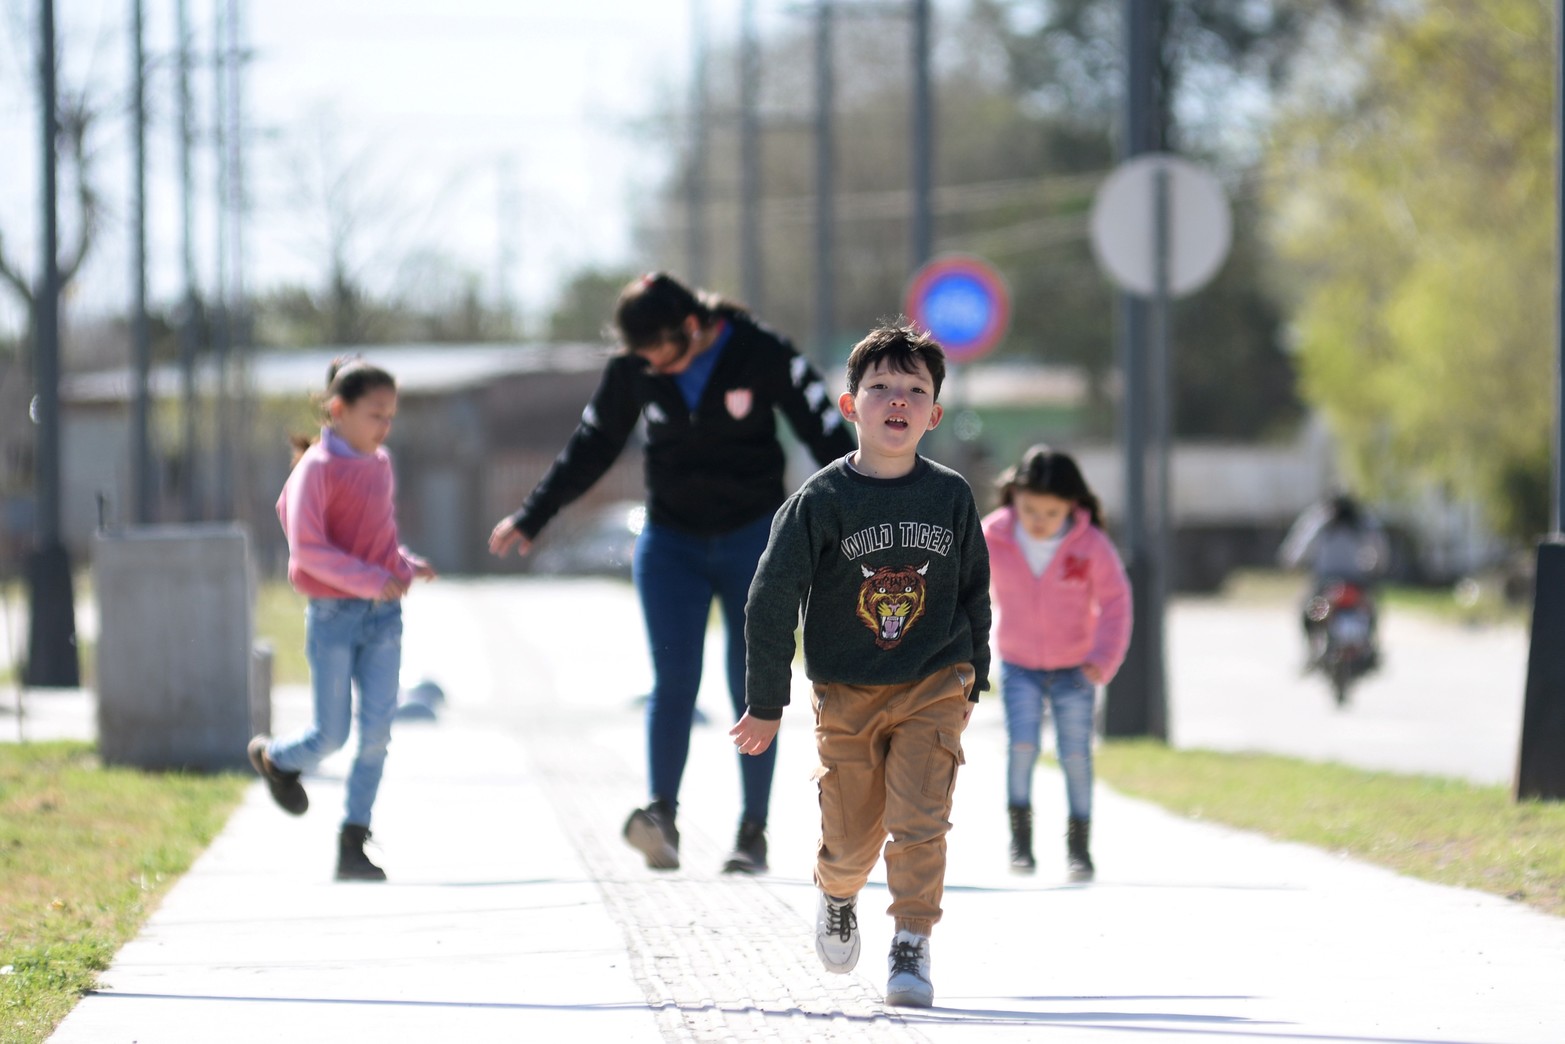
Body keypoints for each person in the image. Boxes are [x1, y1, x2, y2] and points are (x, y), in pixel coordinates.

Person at [488, 272, 854, 875]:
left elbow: (824, 433)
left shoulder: (760, 351)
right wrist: (534, 515)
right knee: (673, 679)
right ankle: (661, 817)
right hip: (670, 543)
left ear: (692, 327)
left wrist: (860, 510)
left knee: (751, 683)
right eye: (642, 358)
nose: (652, 367)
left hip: (753, 542)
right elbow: (592, 444)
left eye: (660, 353)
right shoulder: (635, 365)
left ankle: (752, 832)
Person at [732, 322, 991, 1009]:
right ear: (850, 406)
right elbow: (769, 599)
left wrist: (974, 676)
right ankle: (838, 890)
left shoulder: (952, 496)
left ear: (934, 413)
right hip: (845, 690)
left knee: (920, 817)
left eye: (914, 389)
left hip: (934, 681)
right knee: (849, 839)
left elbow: (972, 592)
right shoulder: (821, 501)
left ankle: (911, 940)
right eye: (879, 387)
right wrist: (766, 700)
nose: (896, 400)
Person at [248, 357, 437, 882]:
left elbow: (375, 540)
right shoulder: (317, 470)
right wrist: (372, 579)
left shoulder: (380, 464)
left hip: (384, 619)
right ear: (338, 410)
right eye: (376, 414)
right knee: (331, 734)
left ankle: (353, 844)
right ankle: (279, 760)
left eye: (391, 416)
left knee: (377, 733)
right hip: (333, 616)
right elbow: (308, 552)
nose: (385, 426)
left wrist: (401, 565)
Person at [980, 445, 1131, 880]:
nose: (1039, 520)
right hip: (1019, 664)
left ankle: (1079, 849)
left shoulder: (1091, 545)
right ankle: (1020, 844)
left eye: (1051, 512)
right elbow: (969, 593)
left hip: (1076, 667)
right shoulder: (994, 536)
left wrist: (1103, 658)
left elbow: (1116, 602)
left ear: (1072, 505)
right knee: (1021, 748)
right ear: (1013, 498)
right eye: (1029, 509)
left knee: (1076, 755)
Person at [1277, 491, 1389, 665]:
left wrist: (1291, 562)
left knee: (1310, 612)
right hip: (1356, 580)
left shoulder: (1321, 521)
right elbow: (1380, 549)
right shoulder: (1363, 521)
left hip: (1327, 582)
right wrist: (1376, 568)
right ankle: (1369, 648)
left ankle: (1312, 651)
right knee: (1370, 609)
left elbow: (1299, 547)